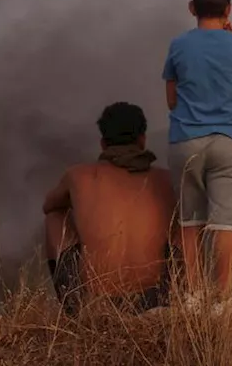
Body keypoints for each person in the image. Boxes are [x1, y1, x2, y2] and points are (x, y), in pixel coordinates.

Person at [162, 0, 232, 307]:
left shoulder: (178, 46)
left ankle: (192, 296)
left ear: (191, 7)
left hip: (186, 140)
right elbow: (226, 81)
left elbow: (172, 100)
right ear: (229, 9)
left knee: (190, 222)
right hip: (229, 141)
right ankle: (223, 302)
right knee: (225, 226)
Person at [41, 101, 177, 314]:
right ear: (143, 139)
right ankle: (182, 295)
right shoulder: (167, 180)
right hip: (158, 299)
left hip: (98, 304)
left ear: (103, 143)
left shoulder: (78, 176)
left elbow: (49, 206)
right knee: (184, 220)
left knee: (55, 218)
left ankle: (73, 304)